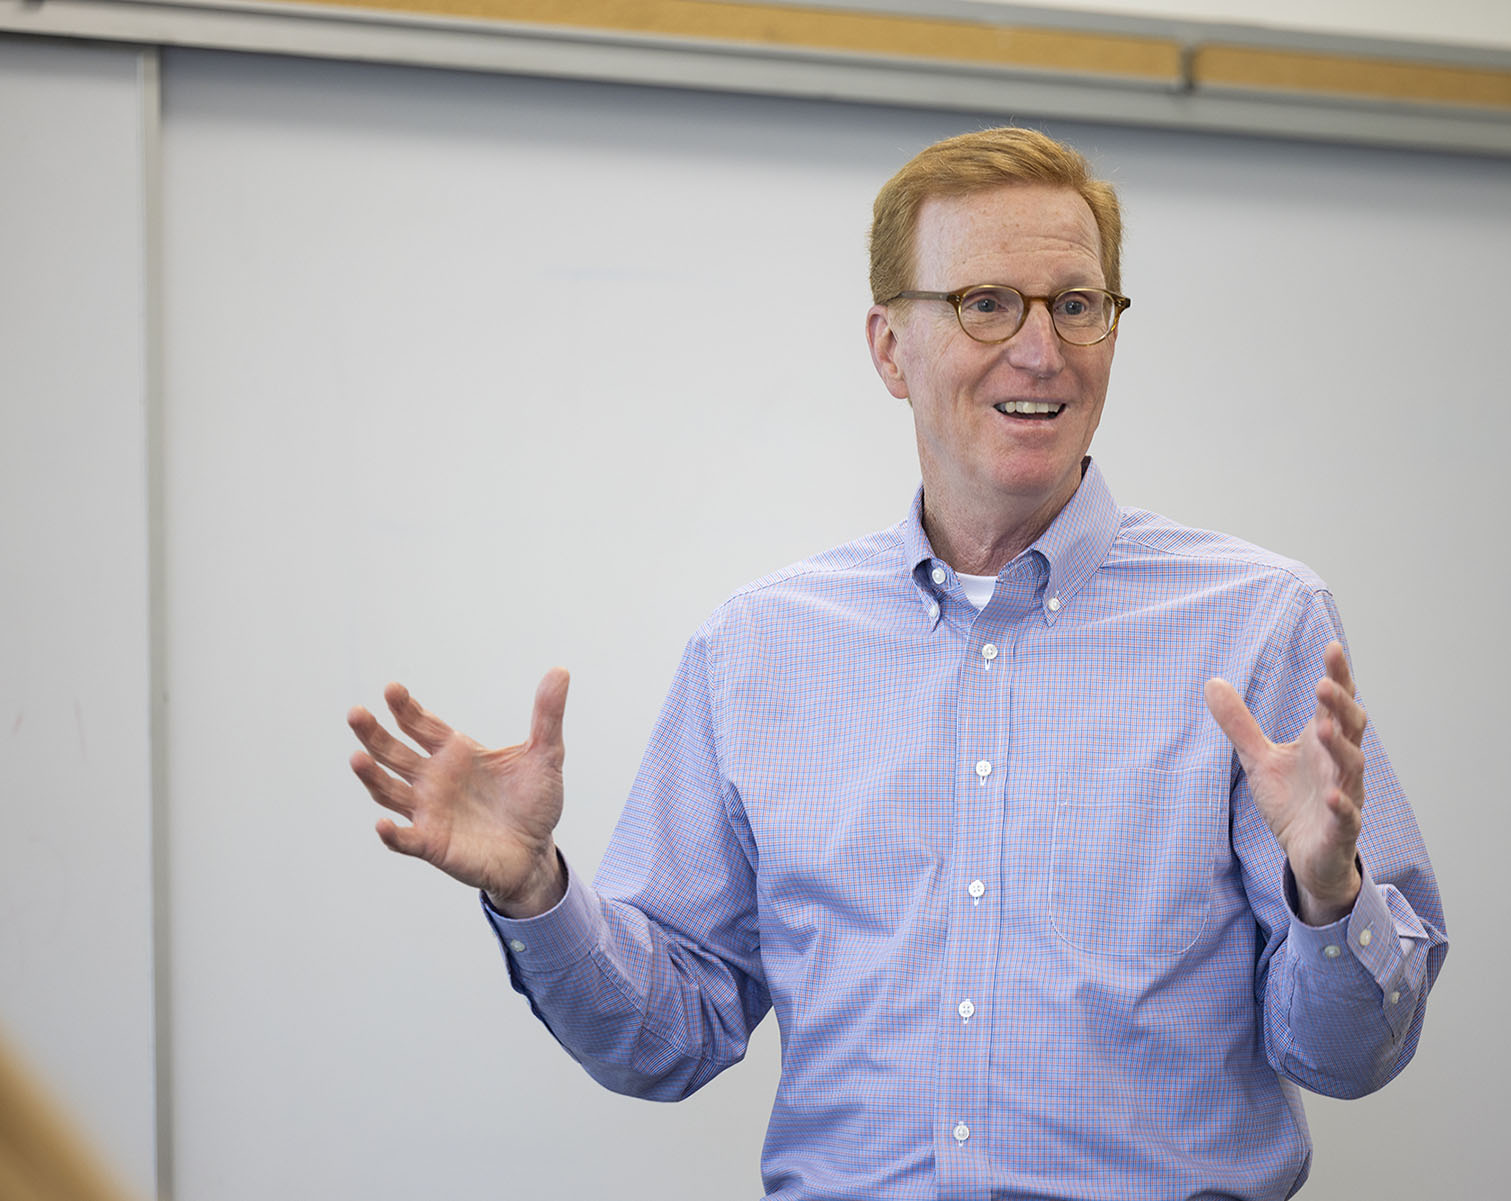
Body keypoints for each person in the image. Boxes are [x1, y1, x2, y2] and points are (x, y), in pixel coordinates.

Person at [348, 127, 1447, 1201]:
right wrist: (536, 891)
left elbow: (1348, 1058)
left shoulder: (1258, 626)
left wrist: (1327, 894)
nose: (1041, 347)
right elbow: (665, 1037)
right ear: (888, 347)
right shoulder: (759, 650)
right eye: (985, 303)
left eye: (1076, 303)